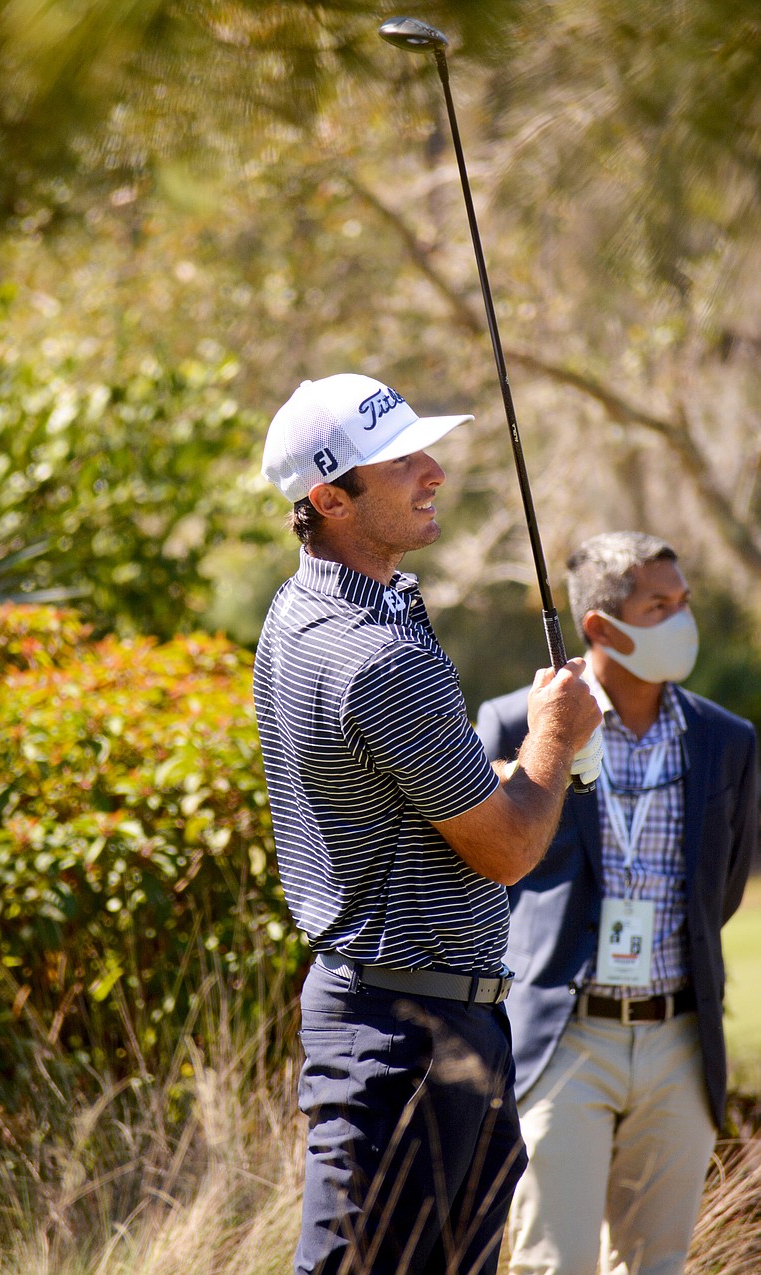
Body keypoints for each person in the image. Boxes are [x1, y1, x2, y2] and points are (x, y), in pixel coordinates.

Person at [252, 372, 602, 1275]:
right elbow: (510, 848)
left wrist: (516, 770)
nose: (434, 469)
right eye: (401, 460)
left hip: (407, 1022)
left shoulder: (308, 611)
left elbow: (404, 791)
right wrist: (554, 738)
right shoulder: (375, 654)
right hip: (403, 1040)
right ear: (330, 498)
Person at [476, 531, 759, 1275]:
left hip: (679, 1041)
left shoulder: (727, 740)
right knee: (553, 1263)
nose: (681, 619)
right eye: (659, 605)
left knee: (656, 1263)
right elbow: (487, 875)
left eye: (683, 601)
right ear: (603, 626)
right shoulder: (519, 721)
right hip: (564, 1037)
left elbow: (722, 887)